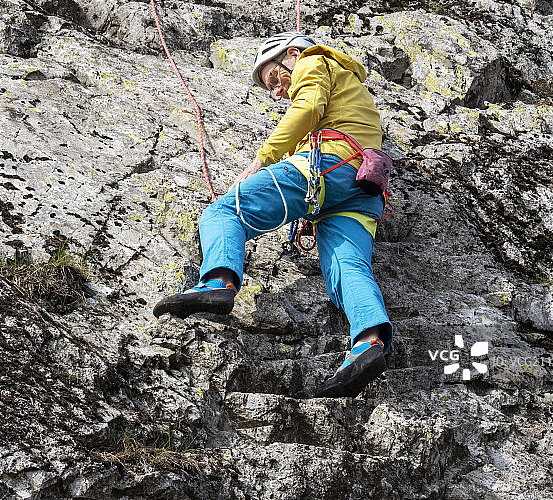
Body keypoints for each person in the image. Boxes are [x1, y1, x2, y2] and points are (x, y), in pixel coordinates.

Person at [153, 32, 393, 398]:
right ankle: (368, 343)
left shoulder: (313, 60)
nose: (277, 91)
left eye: (274, 78)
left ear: (292, 55)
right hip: (362, 189)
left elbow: (308, 108)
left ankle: (218, 283)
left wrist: (262, 159)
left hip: (325, 166)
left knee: (223, 212)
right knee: (348, 265)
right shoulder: (352, 93)